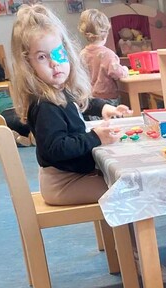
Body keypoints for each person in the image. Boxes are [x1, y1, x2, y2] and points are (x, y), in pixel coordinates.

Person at [10, 4, 129, 206]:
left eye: (58, 53)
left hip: (74, 176)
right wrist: (94, 137)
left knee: (122, 182)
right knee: (126, 191)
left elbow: (82, 100)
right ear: (28, 66)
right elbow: (55, 148)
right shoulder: (45, 104)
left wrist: (104, 108)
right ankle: (133, 239)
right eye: (42, 57)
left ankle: (125, 238)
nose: (54, 63)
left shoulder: (59, 90)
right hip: (62, 184)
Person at [78, 9, 128, 102]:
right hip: (108, 97)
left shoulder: (82, 54)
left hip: (90, 99)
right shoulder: (108, 54)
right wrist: (125, 70)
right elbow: (117, 73)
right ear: (105, 34)